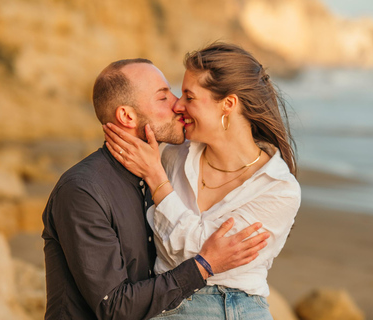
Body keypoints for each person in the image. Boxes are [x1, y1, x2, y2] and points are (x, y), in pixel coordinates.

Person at [41, 58, 271, 320]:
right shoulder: (82, 191)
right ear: (127, 116)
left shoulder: (163, 175)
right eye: (163, 98)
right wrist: (204, 265)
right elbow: (114, 307)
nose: (178, 104)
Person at [103, 43, 301, 319]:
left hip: (234, 308)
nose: (178, 105)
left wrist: (158, 180)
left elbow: (197, 257)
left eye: (189, 96)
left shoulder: (278, 189)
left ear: (228, 104)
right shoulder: (174, 156)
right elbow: (199, 257)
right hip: (164, 303)